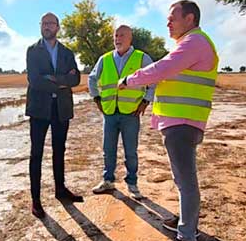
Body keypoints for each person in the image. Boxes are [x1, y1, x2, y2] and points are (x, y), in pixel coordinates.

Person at [118, 0, 218, 241]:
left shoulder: (194, 42)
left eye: (173, 17)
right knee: (181, 178)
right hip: (180, 122)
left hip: (184, 122)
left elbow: (161, 69)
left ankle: (187, 240)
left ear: (190, 18)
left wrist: (129, 80)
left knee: (186, 181)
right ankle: (185, 221)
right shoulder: (191, 42)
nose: (168, 23)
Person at [26, 12, 84, 219]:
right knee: (37, 154)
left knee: (59, 150)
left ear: (58, 27)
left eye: (51, 23)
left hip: (61, 108)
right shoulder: (33, 51)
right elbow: (35, 81)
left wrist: (52, 78)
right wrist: (62, 80)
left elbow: (75, 78)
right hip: (39, 109)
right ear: (40, 26)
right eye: (44, 23)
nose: (47, 26)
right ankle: (36, 200)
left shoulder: (67, 52)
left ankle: (60, 190)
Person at [87, 25, 155, 199]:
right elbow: (92, 79)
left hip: (130, 113)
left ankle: (132, 184)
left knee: (130, 151)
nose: (118, 38)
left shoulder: (141, 58)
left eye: (122, 35)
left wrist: (146, 100)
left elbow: (153, 80)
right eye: (116, 35)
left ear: (130, 38)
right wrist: (96, 98)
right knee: (108, 149)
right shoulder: (105, 59)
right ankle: (108, 180)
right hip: (109, 113)